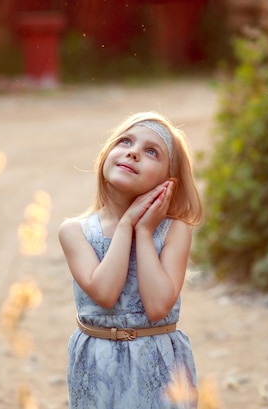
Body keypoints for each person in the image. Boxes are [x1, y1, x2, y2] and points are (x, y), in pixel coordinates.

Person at [58, 111, 204, 408]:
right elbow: (106, 292)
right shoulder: (75, 231)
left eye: (151, 151)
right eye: (125, 141)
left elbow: (157, 305)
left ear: (168, 181)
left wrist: (145, 231)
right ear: (106, 155)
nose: (133, 152)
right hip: (97, 363)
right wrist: (126, 226)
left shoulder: (174, 231)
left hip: (159, 362)